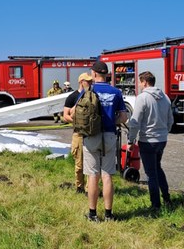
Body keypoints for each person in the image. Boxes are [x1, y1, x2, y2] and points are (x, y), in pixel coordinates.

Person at [83, 61, 128, 221]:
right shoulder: (116, 92)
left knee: (92, 176)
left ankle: (93, 214)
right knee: (107, 175)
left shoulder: (88, 91)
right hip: (109, 135)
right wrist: (111, 120)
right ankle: (109, 214)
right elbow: (123, 117)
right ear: (106, 74)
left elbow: (76, 113)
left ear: (94, 74)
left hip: (91, 136)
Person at [127, 71, 174, 213]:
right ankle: (167, 198)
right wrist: (164, 132)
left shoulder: (142, 98)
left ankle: (155, 205)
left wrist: (130, 139)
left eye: (140, 83)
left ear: (145, 82)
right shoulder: (165, 97)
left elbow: (135, 122)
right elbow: (170, 120)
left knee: (151, 173)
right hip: (161, 139)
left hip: (148, 140)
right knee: (158, 168)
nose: (140, 85)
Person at [62, 73, 94, 194]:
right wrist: (78, 123)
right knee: (79, 163)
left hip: (90, 134)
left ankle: (88, 189)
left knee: (91, 164)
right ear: (81, 81)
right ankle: (79, 187)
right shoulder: (72, 97)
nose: (90, 83)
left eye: (91, 81)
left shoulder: (93, 96)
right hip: (78, 134)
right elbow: (65, 116)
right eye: (88, 81)